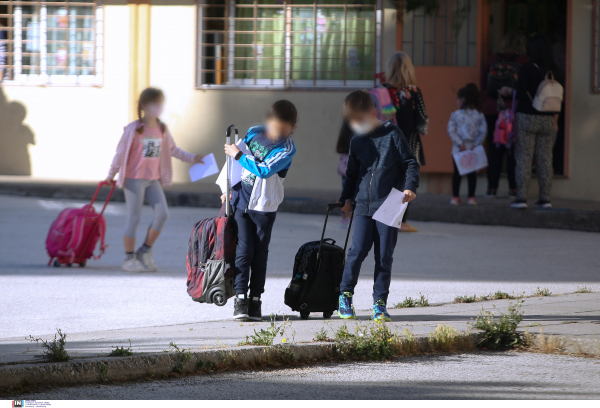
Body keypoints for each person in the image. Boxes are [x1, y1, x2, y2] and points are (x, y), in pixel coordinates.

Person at [337, 90, 419, 322]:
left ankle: (379, 303)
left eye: (360, 120)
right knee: (357, 250)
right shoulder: (357, 141)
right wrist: (346, 199)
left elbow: (411, 162)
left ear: (372, 113)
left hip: (391, 202)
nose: (356, 125)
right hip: (363, 204)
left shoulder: (393, 134)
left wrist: (410, 187)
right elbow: (351, 175)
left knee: (384, 255)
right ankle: (345, 295)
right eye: (352, 122)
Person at [107, 87, 205, 272]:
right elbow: (120, 154)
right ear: (144, 105)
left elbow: (173, 150)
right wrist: (110, 175)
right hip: (133, 179)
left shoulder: (162, 128)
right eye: (155, 104)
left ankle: (144, 251)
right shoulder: (134, 129)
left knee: (162, 214)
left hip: (152, 179)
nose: (159, 107)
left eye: (161, 104)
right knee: (134, 218)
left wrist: (193, 158)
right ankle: (128, 259)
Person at [223, 100, 298, 321]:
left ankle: (256, 300)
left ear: (293, 128)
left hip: (264, 206)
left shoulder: (287, 149)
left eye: (284, 130)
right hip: (240, 200)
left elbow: (264, 170)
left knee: (259, 254)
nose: (278, 133)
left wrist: (237, 154)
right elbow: (233, 161)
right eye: (275, 127)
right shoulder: (254, 132)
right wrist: (226, 187)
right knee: (243, 251)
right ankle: (240, 299)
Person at [511, 34, 562, 209]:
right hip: (549, 119)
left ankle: (521, 198)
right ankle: (545, 198)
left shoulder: (526, 69)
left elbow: (519, 92)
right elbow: (558, 98)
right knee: (546, 159)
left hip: (527, 117)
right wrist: (555, 120)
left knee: (524, 158)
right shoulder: (555, 69)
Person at [480, 31, 528, 198]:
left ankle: (491, 188)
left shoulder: (492, 59)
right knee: (514, 149)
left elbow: (483, 83)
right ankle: (513, 188)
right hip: (514, 110)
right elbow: (525, 87)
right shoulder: (523, 61)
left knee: (494, 149)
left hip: (492, 109)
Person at [384, 51, 428, 233]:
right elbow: (422, 121)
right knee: (407, 183)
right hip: (410, 143)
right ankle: (400, 221)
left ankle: (385, 218)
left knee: (387, 181)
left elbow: (381, 116)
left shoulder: (383, 90)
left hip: (386, 144)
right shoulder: (414, 91)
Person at [447, 83, 487, 205]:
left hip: (458, 148)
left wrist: (459, 143)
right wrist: (476, 144)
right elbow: (483, 131)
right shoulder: (479, 115)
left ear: (462, 100)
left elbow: (451, 130)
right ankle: (471, 198)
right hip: (473, 147)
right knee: (472, 174)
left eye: (458, 99)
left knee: (457, 173)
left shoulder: (455, 114)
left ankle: (455, 197)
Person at [335, 120, 353, 229]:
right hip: (352, 172)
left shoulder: (344, 139)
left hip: (344, 171)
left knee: (345, 195)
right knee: (352, 196)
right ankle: (349, 218)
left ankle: (345, 218)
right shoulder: (356, 139)